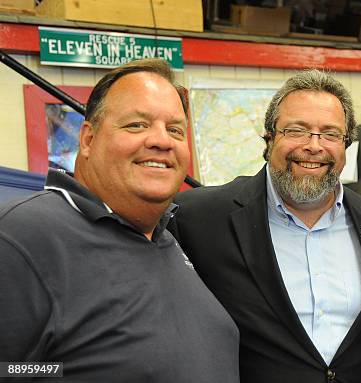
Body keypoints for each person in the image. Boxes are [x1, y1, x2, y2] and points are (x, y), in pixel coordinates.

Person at [0, 59, 239, 382]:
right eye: (137, 125)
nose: (162, 141)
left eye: (175, 130)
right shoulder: (24, 235)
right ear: (87, 139)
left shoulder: (168, 240)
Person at [171, 69, 361, 383]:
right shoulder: (197, 219)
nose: (313, 146)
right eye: (296, 130)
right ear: (269, 138)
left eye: (330, 134)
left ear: (346, 145)